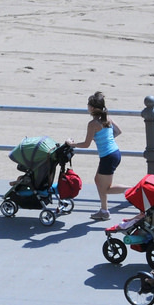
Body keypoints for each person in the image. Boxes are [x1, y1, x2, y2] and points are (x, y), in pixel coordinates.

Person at [66, 91, 125, 221]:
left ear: (92, 108)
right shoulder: (107, 118)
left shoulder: (92, 124)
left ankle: (133, 190)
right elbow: (118, 131)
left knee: (106, 189)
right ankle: (104, 210)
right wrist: (104, 141)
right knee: (98, 181)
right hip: (114, 153)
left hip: (108, 157)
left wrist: (71, 144)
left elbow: (86, 144)